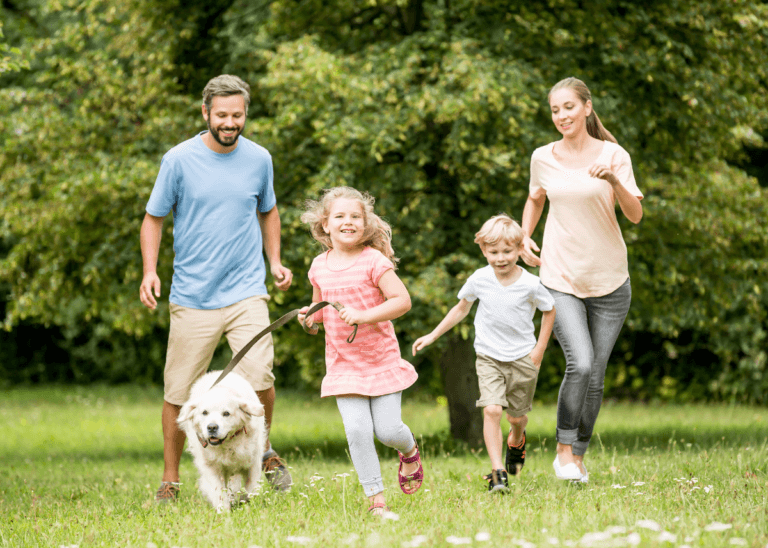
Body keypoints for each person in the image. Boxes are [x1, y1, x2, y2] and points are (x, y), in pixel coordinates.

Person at [139, 74, 294, 503]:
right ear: (205, 112)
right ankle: (170, 481)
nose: (230, 123)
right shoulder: (178, 160)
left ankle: (264, 451)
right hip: (193, 296)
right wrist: (150, 271)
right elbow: (153, 219)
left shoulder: (259, 158)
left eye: (238, 115)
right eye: (222, 115)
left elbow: (269, 210)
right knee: (179, 390)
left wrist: (275, 261)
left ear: (246, 114)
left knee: (261, 375)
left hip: (246, 289)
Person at [521, 77, 643, 483]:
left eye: (569, 107)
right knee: (582, 362)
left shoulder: (614, 155)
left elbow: (635, 214)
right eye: (555, 110)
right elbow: (535, 197)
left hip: (610, 280)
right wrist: (524, 236)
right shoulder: (543, 156)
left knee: (597, 374)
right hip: (560, 275)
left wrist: (612, 180)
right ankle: (563, 450)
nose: (561, 116)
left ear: (587, 108)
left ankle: (578, 453)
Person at [297, 186, 424, 516]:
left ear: (366, 224)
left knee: (388, 430)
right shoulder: (318, 266)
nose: (348, 222)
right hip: (343, 364)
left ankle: (409, 450)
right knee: (356, 430)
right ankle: (376, 501)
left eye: (355, 216)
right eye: (339, 216)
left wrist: (364, 315)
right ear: (325, 224)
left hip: (380, 360)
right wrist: (309, 319)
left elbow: (402, 301)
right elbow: (319, 308)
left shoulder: (374, 260)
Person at [412, 214, 556, 493]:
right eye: (493, 252)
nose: (501, 258)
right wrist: (432, 335)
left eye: (507, 251)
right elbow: (461, 309)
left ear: (519, 249)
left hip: (523, 358)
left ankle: (517, 439)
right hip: (488, 356)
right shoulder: (479, 278)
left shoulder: (530, 283)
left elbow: (549, 310)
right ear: (483, 251)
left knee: (516, 417)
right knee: (491, 410)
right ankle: (497, 471)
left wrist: (539, 349)